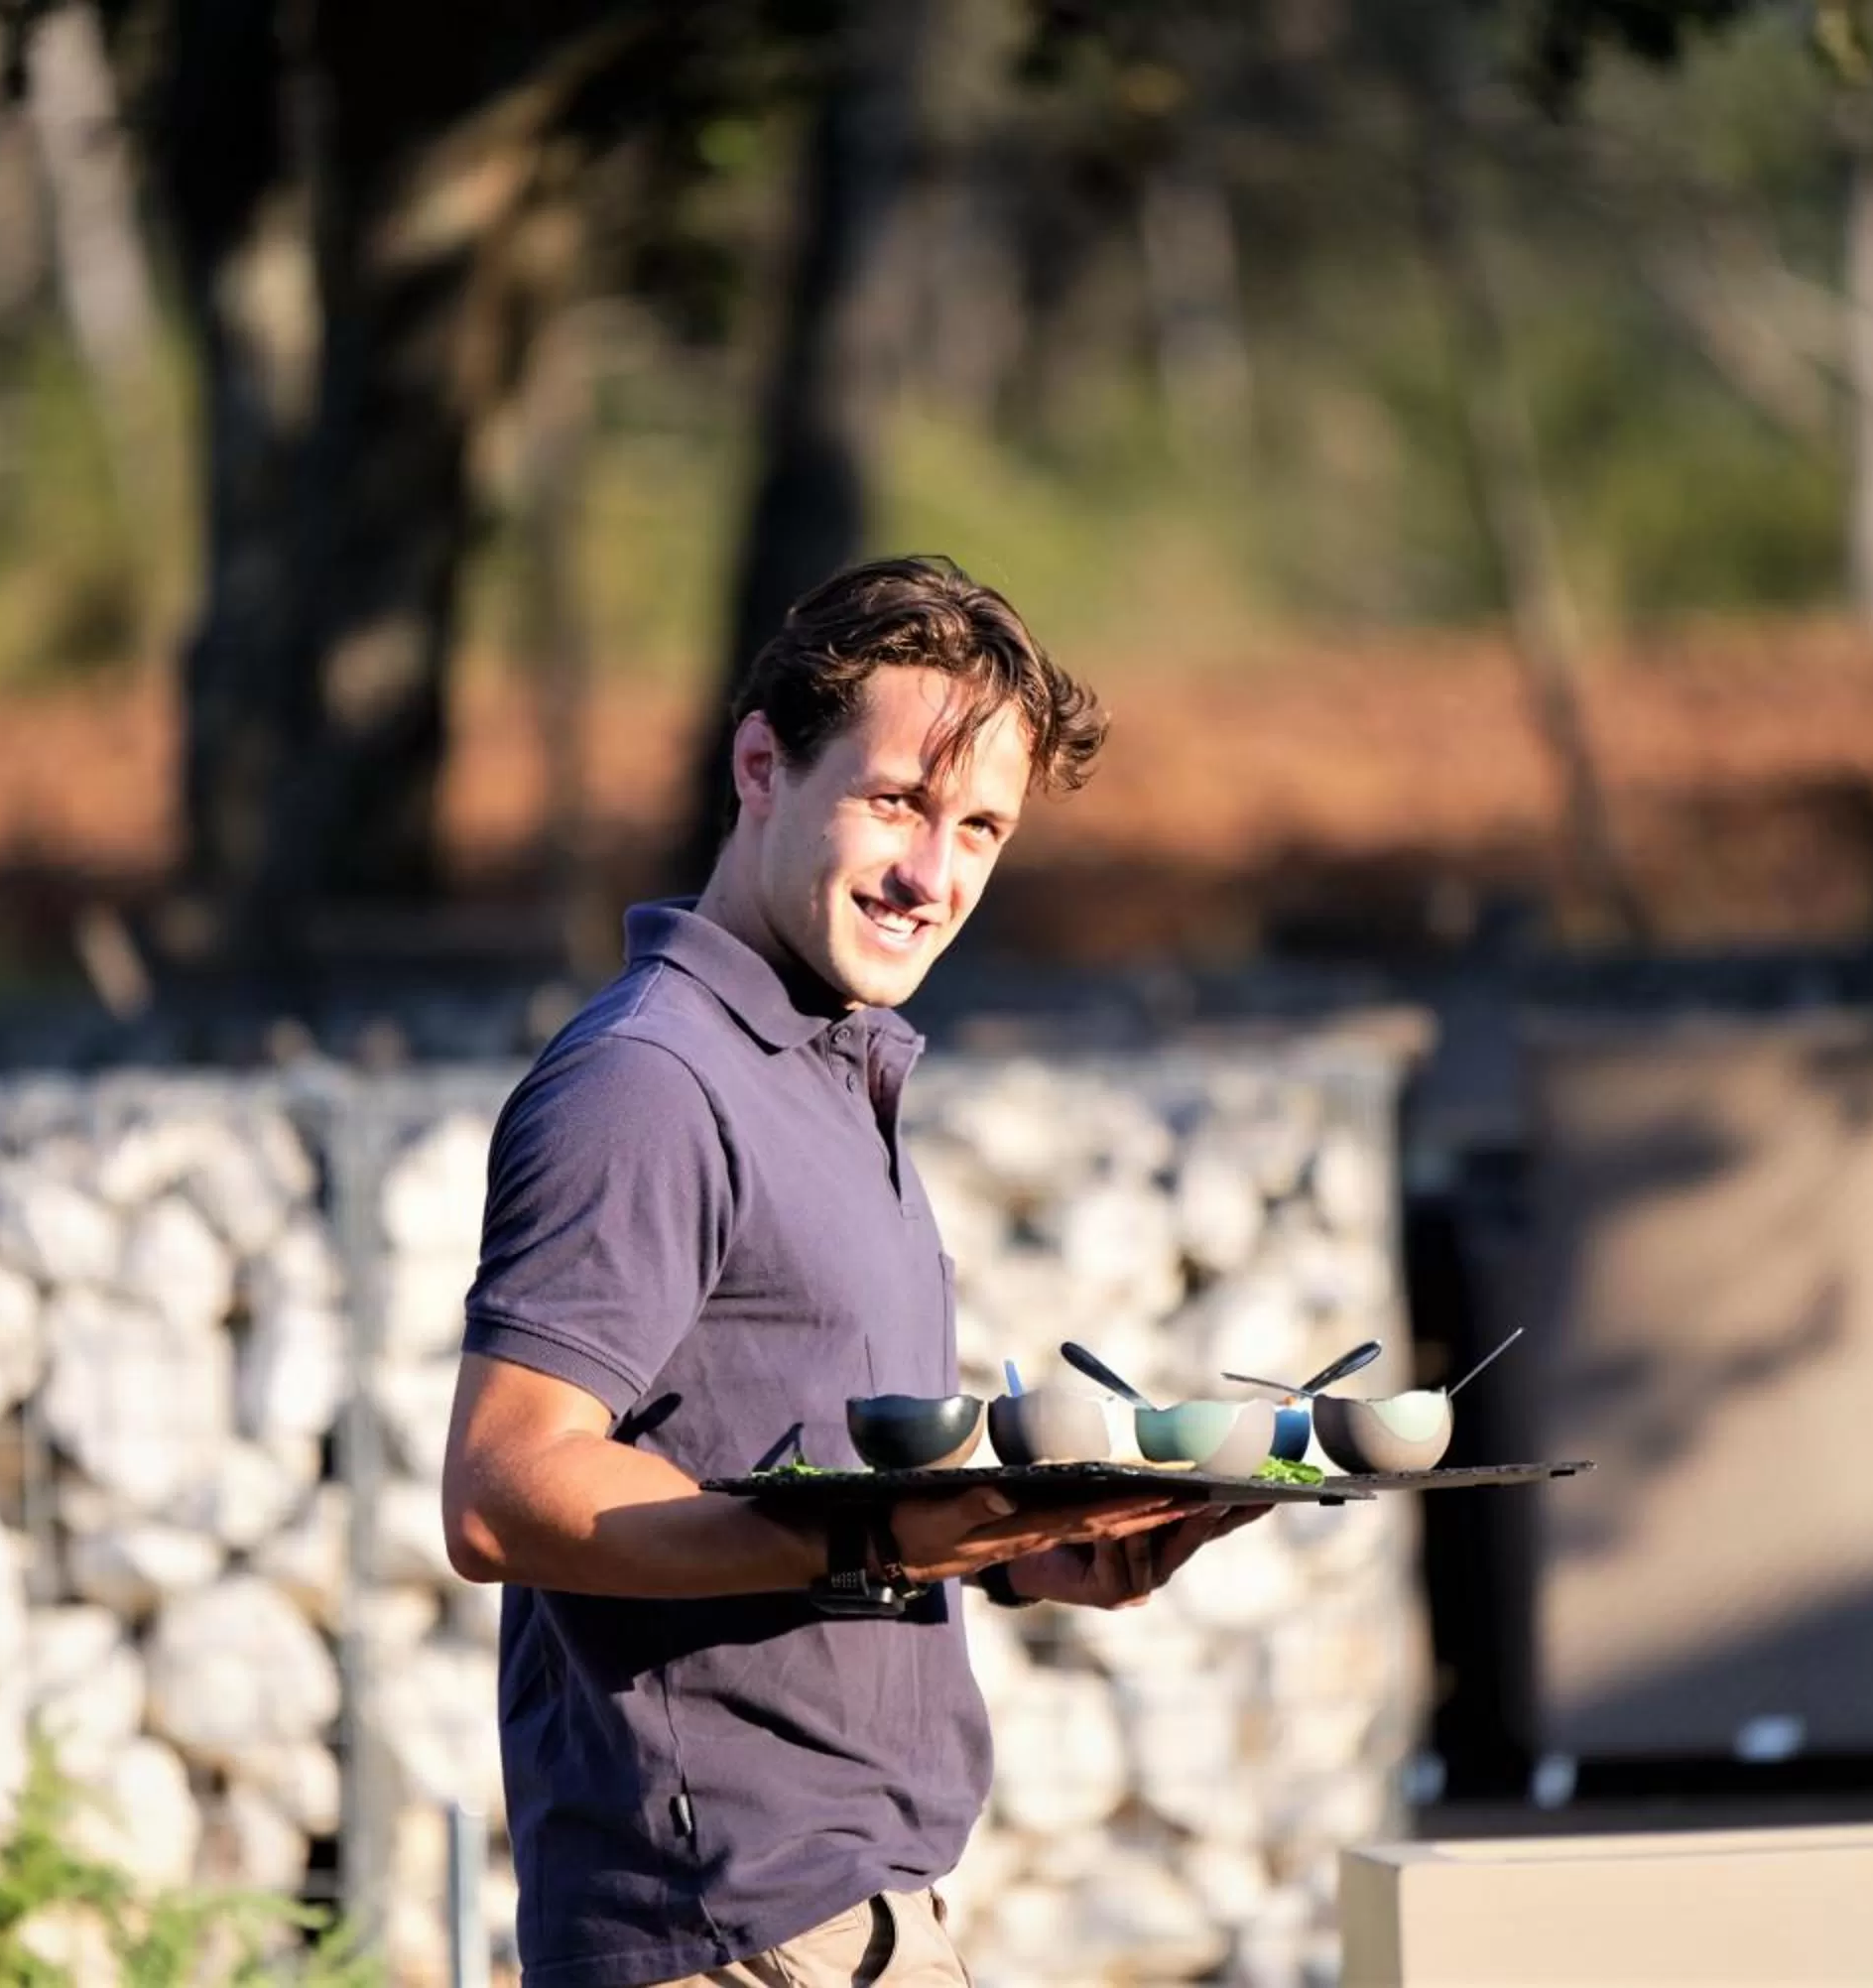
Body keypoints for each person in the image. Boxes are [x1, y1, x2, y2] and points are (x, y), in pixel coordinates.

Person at [439, 555, 1262, 1988]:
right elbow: (505, 1489)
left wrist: (1025, 1543)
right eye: (896, 802)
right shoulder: (647, 1084)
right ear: (760, 763)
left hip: (852, 1912)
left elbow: (787, 1471)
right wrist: (877, 1541)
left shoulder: (824, 1076)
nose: (932, 875)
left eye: (981, 829)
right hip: (727, 1934)